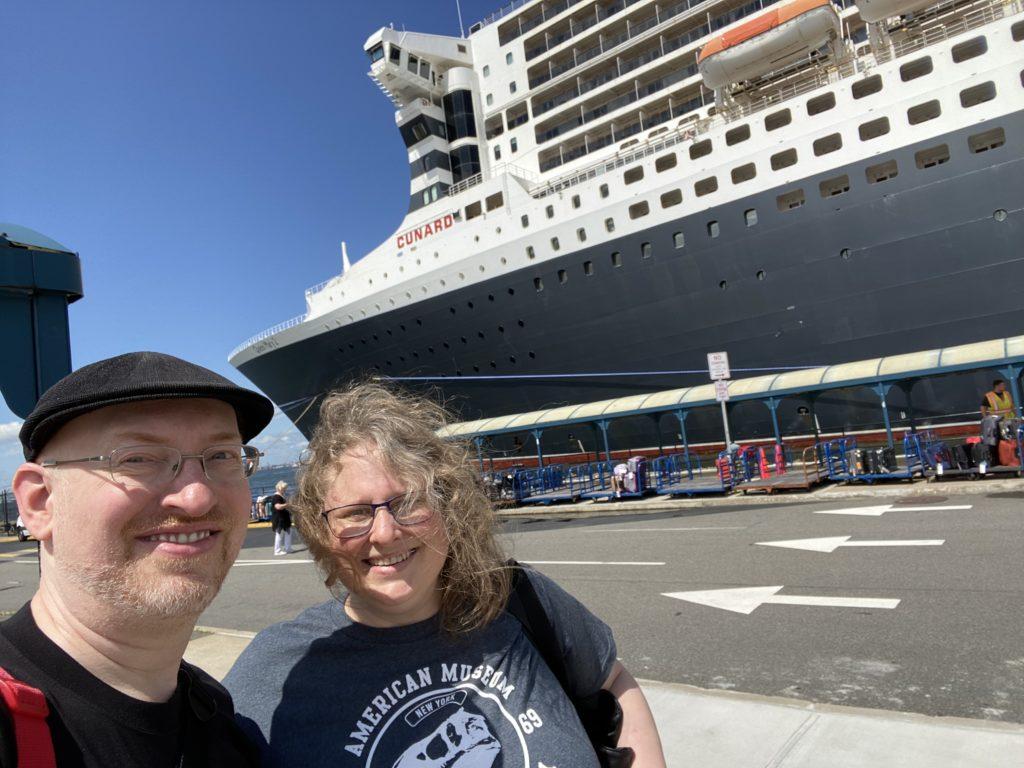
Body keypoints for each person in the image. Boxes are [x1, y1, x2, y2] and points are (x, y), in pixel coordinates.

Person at [224, 382, 666, 767]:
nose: (385, 532)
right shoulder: (277, 670)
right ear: (323, 531)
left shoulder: (516, 599)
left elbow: (613, 681)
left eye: (408, 502)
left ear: (449, 508)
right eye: (354, 513)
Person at [5, 351, 274, 767]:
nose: (196, 497)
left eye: (222, 456)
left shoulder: (218, 716)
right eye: (137, 459)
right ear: (40, 503)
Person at [269, 480, 293, 555]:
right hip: (279, 518)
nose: (285, 490)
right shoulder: (276, 497)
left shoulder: (282, 496)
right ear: (280, 488)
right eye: (284, 488)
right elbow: (278, 506)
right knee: (279, 533)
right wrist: (287, 505)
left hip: (284, 517)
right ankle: (277, 550)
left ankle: (288, 548)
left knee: (288, 532)